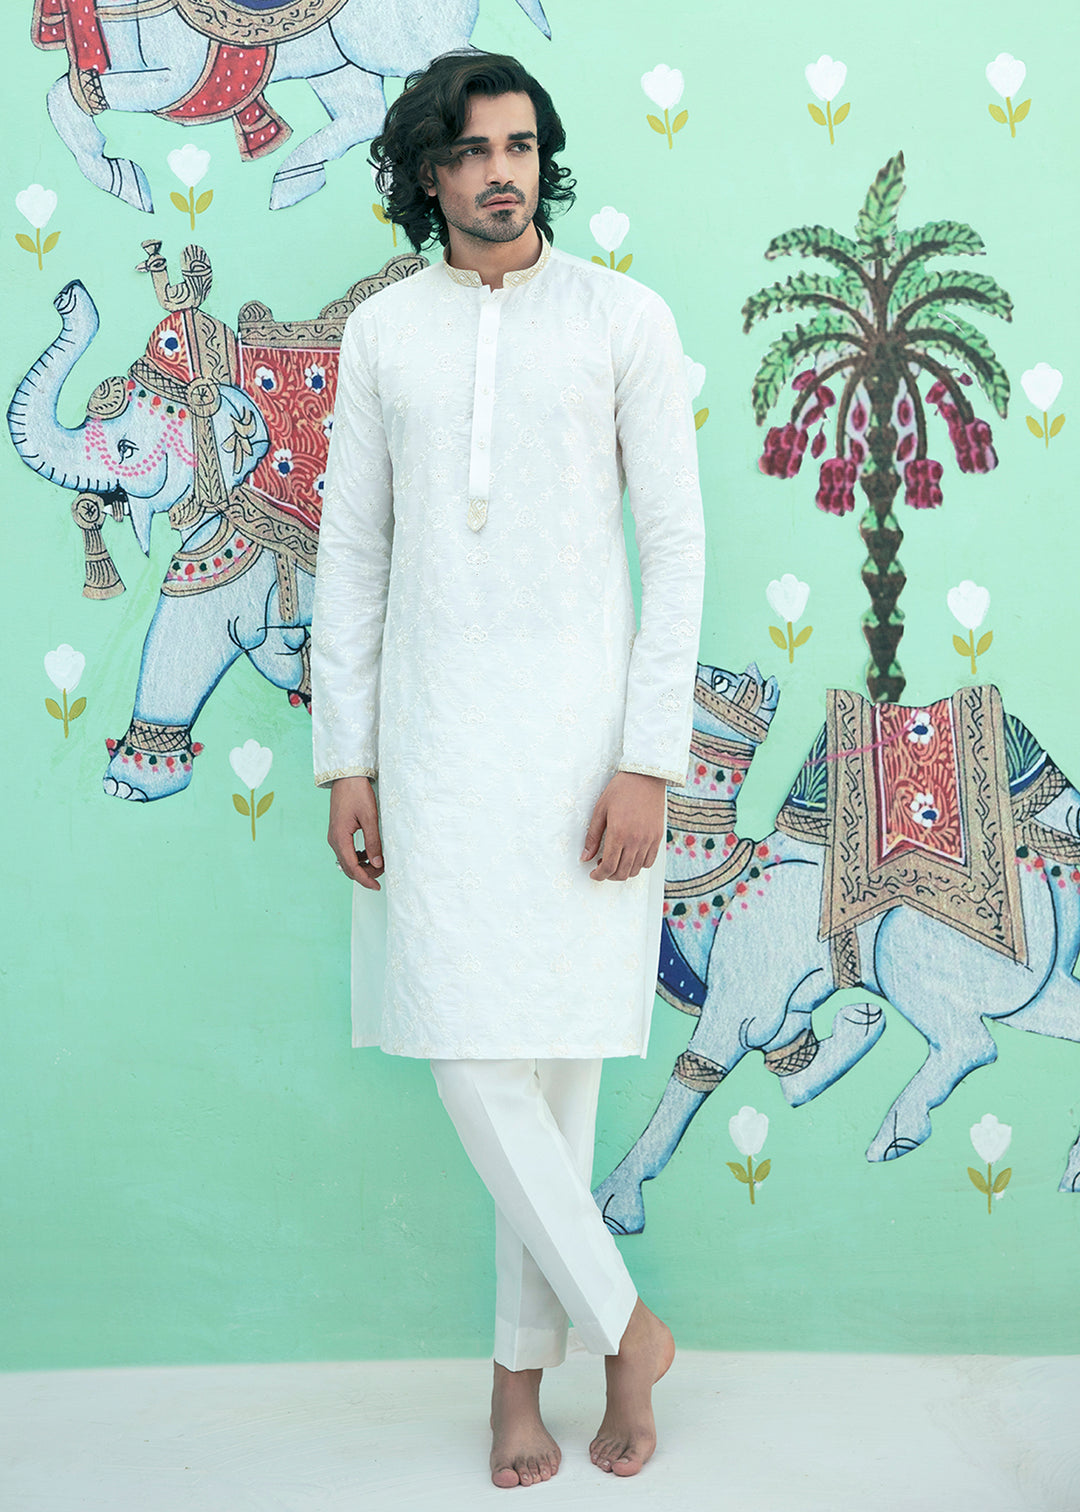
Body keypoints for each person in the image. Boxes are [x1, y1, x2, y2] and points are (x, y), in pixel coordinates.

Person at [311, 51, 705, 1488]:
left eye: (522, 147)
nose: (502, 173)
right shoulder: (384, 334)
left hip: (585, 748)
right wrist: (346, 759)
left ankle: (517, 1391)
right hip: (432, 744)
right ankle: (628, 1328)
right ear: (430, 172)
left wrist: (648, 760)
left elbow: (678, 548)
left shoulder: (622, 320)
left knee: (560, 1079)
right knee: (469, 1051)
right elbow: (352, 553)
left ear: (544, 160)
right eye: (473, 151)